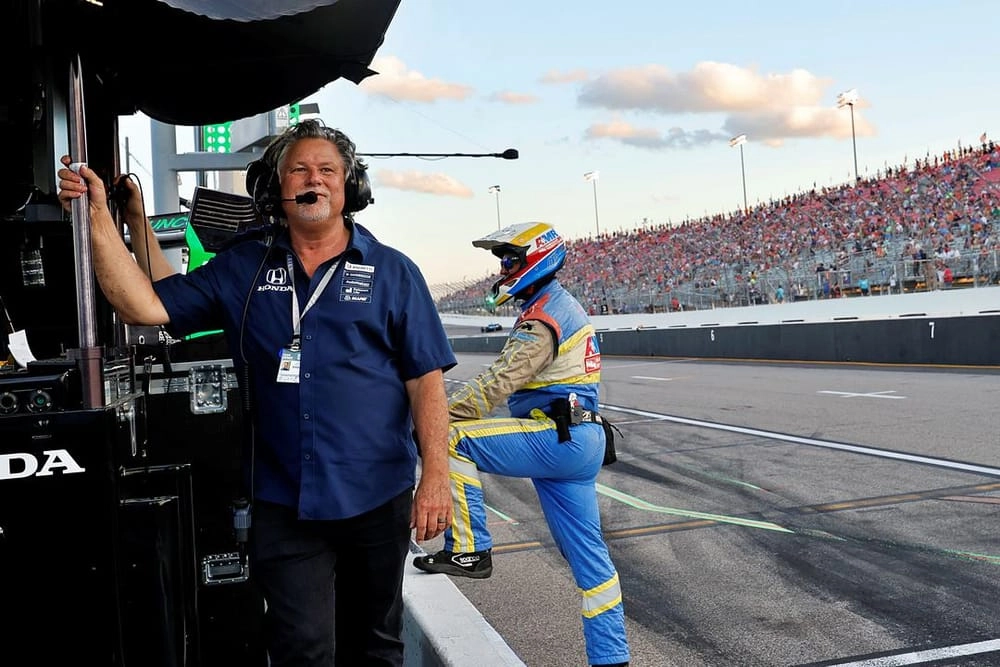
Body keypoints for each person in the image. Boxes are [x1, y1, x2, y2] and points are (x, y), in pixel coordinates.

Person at [57, 119, 456, 667]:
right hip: (284, 498)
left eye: (327, 170)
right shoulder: (244, 266)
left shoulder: (393, 272)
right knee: (302, 645)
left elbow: (426, 380)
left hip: (376, 495)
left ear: (350, 187)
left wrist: (436, 475)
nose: (314, 179)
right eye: (299, 169)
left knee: (376, 644)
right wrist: (102, 214)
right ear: (275, 188)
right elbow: (144, 305)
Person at [412, 222, 631, 667]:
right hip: (578, 440)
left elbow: (498, 383)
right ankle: (612, 659)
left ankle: (469, 548)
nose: (503, 268)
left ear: (536, 259)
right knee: (592, 565)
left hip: (557, 437)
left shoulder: (545, 315)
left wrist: (435, 418)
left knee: (451, 440)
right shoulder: (556, 306)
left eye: (510, 260)